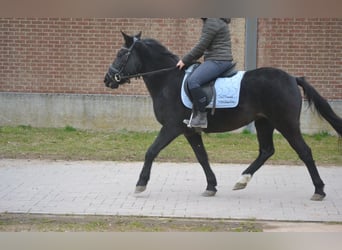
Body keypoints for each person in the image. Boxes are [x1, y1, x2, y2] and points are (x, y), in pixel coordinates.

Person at [176, 18, 234, 128]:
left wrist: (185, 60)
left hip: (218, 60)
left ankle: (201, 117)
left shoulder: (212, 21)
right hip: (216, 59)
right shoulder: (214, 20)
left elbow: (201, 46)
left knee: (193, 81)